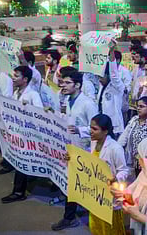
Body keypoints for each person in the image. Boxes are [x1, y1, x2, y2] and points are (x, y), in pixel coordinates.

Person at [51, 71, 98, 231]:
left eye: (67, 83)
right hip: (72, 149)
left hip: (86, 150)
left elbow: (98, 128)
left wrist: (80, 130)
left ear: (77, 85)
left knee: (84, 184)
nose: (62, 85)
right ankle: (70, 216)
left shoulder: (88, 104)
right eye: (62, 82)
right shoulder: (67, 100)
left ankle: (73, 216)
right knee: (73, 183)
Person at [1, 66, 43, 203]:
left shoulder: (33, 95)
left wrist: (27, 110)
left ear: (25, 79)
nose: (13, 78)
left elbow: (39, 115)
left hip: (29, 136)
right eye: (13, 75)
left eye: (16, 76)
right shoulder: (16, 93)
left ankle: (18, 192)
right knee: (21, 161)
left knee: (22, 161)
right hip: (18, 134)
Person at [87, 114, 128, 235]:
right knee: (96, 226)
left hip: (110, 196)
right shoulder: (93, 143)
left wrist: (115, 179)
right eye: (91, 127)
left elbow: (124, 170)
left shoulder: (115, 148)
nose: (91, 131)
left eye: (95, 129)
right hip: (95, 193)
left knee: (110, 229)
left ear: (105, 131)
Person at [118, 97, 147, 173]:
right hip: (135, 160)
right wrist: (117, 148)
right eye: (138, 106)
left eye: (142, 106)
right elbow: (124, 137)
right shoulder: (134, 120)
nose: (138, 108)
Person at [97, 43, 125, 137]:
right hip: (102, 125)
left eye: (102, 77)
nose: (100, 80)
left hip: (114, 127)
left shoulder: (118, 86)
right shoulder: (102, 86)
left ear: (108, 76)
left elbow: (113, 74)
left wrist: (112, 51)